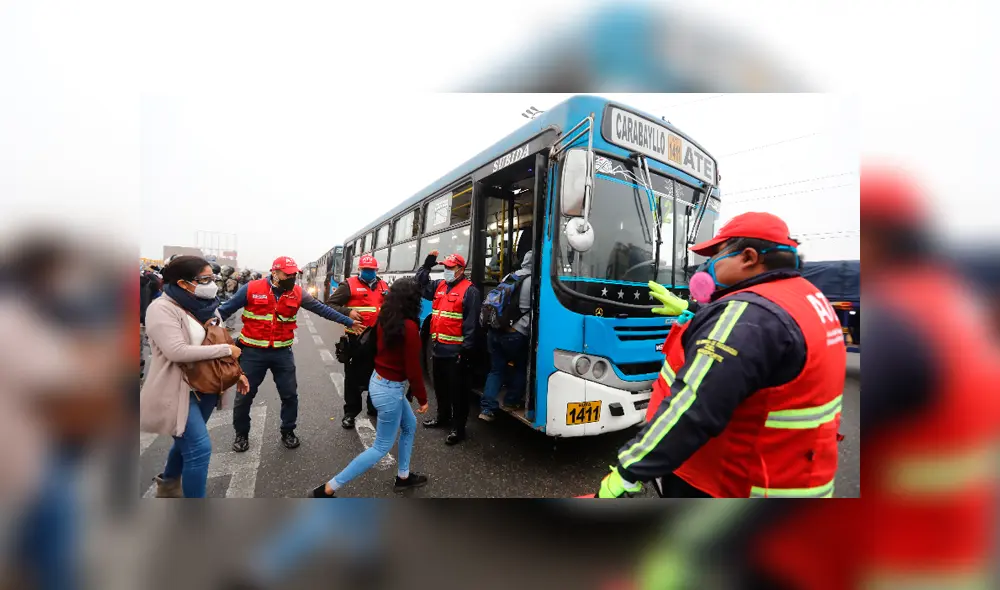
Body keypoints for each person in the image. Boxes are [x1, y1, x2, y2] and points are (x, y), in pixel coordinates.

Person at [594, 212, 847, 498]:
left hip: (731, 482)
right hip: (792, 473)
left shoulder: (745, 315)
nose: (708, 264)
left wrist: (629, 470)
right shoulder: (807, 297)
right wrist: (697, 313)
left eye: (716, 253)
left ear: (749, 257)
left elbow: (692, 408)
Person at [219, 256, 360, 451]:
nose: (292, 277)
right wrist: (206, 330)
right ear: (274, 273)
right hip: (252, 353)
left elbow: (323, 310)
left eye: (294, 274)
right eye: (288, 274)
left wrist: (348, 321)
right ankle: (241, 434)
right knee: (244, 397)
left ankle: (288, 431)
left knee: (289, 395)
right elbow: (224, 311)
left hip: (282, 354)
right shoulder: (252, 288)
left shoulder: (297, 292)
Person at [139, 255, 250, 498]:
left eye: (213, 278)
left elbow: (220, 337)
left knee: (185, 445)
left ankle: (168, 486)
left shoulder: (207, 306)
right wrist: (226, 351)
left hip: (207, 385)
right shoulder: (161, 309)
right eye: (205, 279)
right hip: (176, 389)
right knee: (199, 449)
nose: (211, 283)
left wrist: (237, 372)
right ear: (182, 283)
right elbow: (176, 351)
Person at [311, 277, 430, 497]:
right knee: (380, 447)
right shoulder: (410, 327)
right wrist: (423, 398)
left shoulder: (385, 318)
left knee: (410, 425)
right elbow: (413, 368)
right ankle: (327, 489)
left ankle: (403, 477)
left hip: (379, 380)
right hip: (390, 389)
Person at [415, 251, 481, 445]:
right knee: (441, 388)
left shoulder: (470, 291)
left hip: (456, 353)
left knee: (458, 393)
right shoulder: (439, 286)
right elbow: (420, 284)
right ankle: (442, 417)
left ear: (460, 270)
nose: (447, 271)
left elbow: (472, 325)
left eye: (451, 268)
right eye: (445, 267)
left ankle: (458, 428)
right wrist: (426, 266)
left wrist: (466, 351)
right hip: (438, 349)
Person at [326, 254, 387, 428]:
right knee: (352, 378)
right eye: (365, 270)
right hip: (356, 339)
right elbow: (330, 305)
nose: (369, 273)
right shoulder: (348, 285)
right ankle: (350, 413)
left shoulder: (383, 285)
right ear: (359, 270)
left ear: (376, 270)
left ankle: (373, 407)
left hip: (378, 338)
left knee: (377, 375)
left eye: (372, 270)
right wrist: (348, 312)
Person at [479, 250, 533, 421]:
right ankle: (511, 401)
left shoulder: (510, 276)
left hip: (495, 330)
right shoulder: (535, 281)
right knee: (520, 367)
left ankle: (487, 409)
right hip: (515, 334)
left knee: (496, 370)